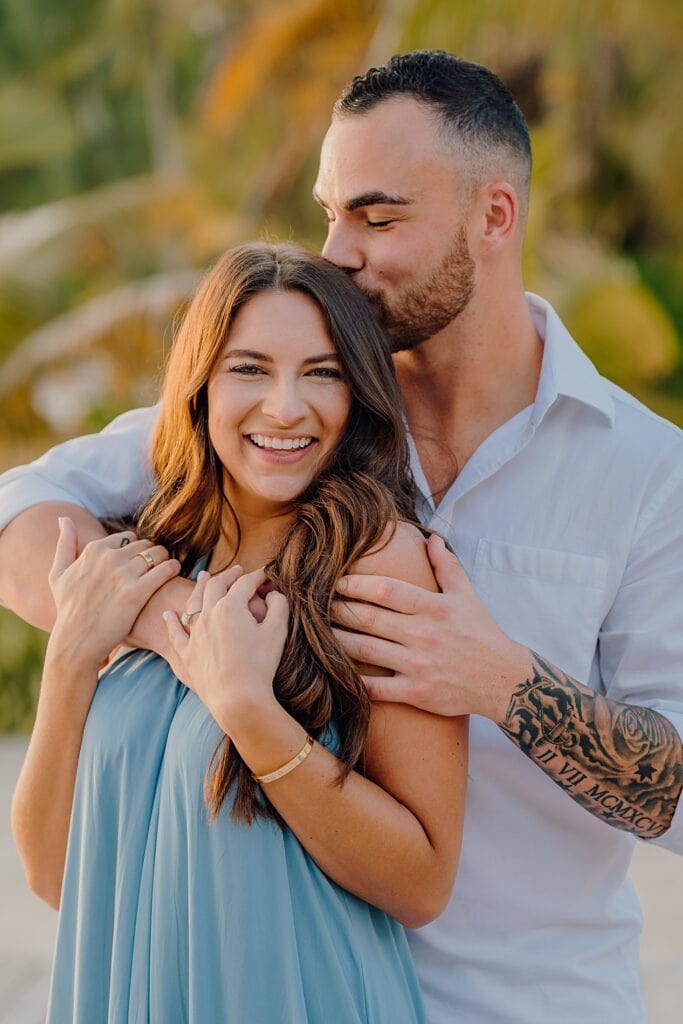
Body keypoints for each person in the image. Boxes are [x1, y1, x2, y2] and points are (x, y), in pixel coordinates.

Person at [2, 50, 682, 1023]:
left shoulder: (647, 476)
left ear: (493, 216)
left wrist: (504, 684)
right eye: (328, 213)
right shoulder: (294, 422)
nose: (336, 251)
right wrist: (180, 624)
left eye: (376, 215)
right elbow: (21, 510)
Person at [10, 242, 468, 1023]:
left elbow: (422, 882)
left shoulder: (373, 561)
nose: (285, 407)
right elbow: (58, 878)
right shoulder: (149, 561)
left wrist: (249, 712)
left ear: (356, 393)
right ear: (199, 388)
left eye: (320, 372)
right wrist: (72, 659)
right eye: (249, 369)